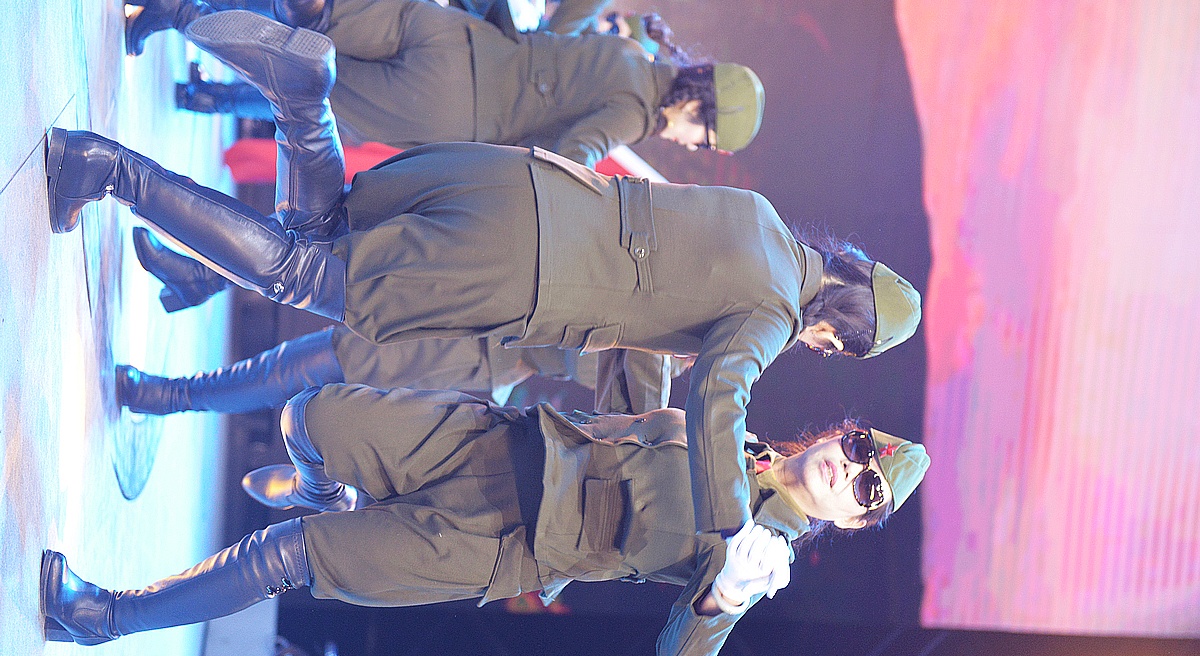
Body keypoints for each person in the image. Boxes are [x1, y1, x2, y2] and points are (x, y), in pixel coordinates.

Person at [45, 10, 921, 550]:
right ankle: (128, 161)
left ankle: (297, 105)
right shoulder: (772, 311)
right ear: (839, 331)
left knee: (320, 234)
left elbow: (647, 322)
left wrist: (647, 402)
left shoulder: (760, 216)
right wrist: (731, 528)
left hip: (507, 182)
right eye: (834, 347)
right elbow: (721, 393)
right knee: (303, 277)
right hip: (514, 278)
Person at [40, 384, 931, 656]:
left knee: (283, 560)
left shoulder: (764, 552)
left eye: (866, 490)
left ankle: (102, 615)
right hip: (501, 444)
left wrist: (724, 598)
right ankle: (329, 494)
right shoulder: (741, 431)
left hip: (502, 542)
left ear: (855, 520)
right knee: (308, 417)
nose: (847, 470)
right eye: (859, 449)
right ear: (839, 432)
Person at [131, 0, 765, 169]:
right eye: (703, 137)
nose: (690, 145)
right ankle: (177, 14)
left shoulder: (629, 51)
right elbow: (569, 157)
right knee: (297, 72)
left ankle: (183, 9)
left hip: (453, 34)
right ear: (696, 104)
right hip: (446, 108)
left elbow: (557, 27)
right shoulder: (633, 112)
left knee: (314, 16)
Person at [115, 322, 690, 415]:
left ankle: (172, 396)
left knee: (320, 360)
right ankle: (193, 279)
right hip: (471, 318)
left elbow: (562, 352)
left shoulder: (651, 362)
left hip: (471, 350)